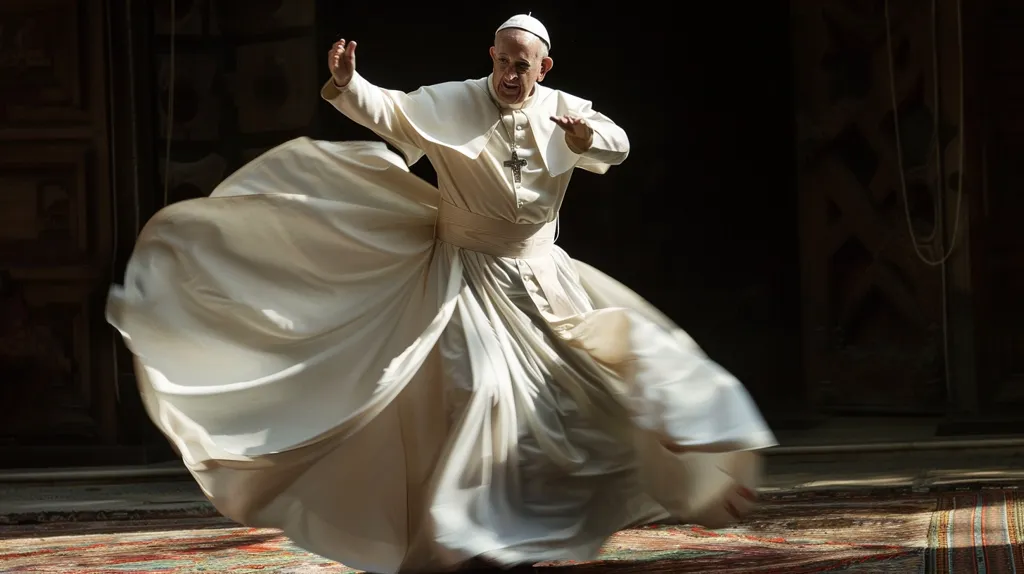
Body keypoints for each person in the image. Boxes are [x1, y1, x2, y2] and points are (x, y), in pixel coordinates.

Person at [107, 14, 777, 574]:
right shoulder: (455, 102)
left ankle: (612, 495)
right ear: (493, 56)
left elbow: (618, 145)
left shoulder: (566, 111)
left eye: (525, 65)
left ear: (545, 66)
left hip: (542, 279)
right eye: (504, 61)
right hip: (465, 277)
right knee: (477, 388)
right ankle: (465, 533)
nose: (513, 75)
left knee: (599, 393)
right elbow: (392, 111)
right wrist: (348, 84)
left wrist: (585, 137)